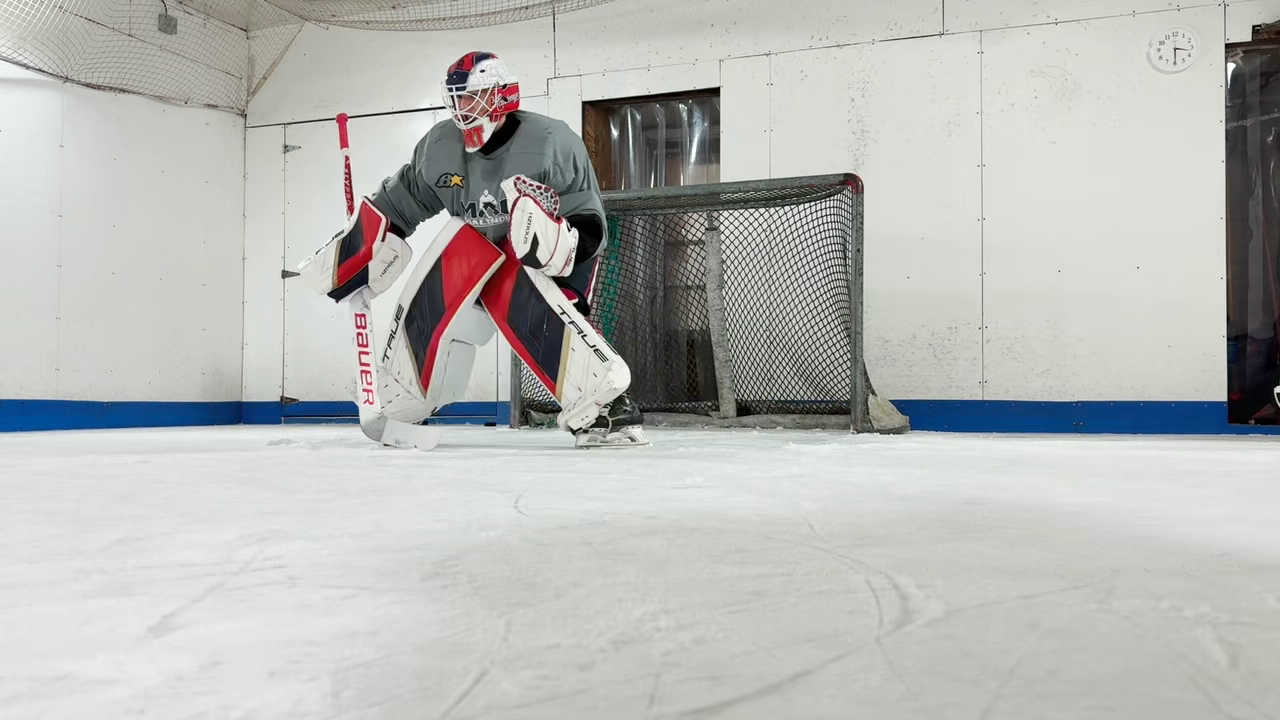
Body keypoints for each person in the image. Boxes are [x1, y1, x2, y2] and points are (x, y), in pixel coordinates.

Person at [306, 51, 647, 448]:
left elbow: (587, 224)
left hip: (541, 260)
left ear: (502, 97)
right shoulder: (439, 147)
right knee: (450, 253)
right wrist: (358, 250)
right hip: (479, 256)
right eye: (455, 98)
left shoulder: (552, 142)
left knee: (525, 291)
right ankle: (407, 391)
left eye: (470, 97)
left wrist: (558, 254)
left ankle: (604, 403)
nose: (460, 108)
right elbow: (398, 205)